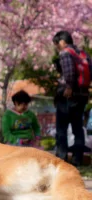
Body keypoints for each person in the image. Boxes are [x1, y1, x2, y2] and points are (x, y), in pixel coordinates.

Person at [53, 30, 91, 166]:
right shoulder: (83, 54)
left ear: (62, 42)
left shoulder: (65, 53)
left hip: (67, 96)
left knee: (61, 129)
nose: (57, 47)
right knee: (77, 128)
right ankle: (77, 159)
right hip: (82, 96)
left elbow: (69, 72)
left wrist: (68, 86)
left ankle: (61, 160)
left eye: (57, 44)